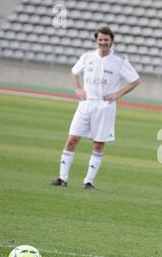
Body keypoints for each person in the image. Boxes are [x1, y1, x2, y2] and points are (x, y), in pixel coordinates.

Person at [51, 26, 141, 190]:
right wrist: (77, 88)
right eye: (100, 39)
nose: (103, 43)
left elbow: (135, 80)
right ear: (96, 40)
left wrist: (118, 94)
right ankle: (62, 178)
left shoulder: (120, 60)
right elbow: (74, 72)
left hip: (104, 107)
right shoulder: (87, 57)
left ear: (111, 41)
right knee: (72, 139)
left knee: (98, 144)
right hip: (85, 104)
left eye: (106, 40)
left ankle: (88, 182)